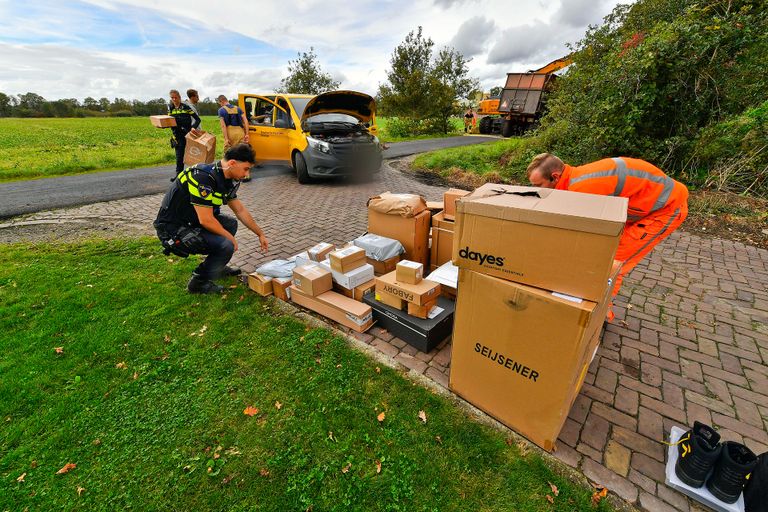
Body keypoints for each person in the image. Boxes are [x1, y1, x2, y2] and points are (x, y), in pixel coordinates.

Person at [527, 153, 689, 319]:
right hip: (639, 207)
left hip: (666, 210)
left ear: (555, 177)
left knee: (614, 263)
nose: (538, 190)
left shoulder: (583, 189)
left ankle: (600, 316)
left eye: (539, 184)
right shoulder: (576, 179)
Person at [154, 143, 269, 294]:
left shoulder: (227, 178)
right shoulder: (203, 177)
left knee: (230, 224)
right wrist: (230, 239)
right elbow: (206, 220)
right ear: (232, 163)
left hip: (191, 221)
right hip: (172, 228)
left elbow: (240, 210)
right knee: (226, 245)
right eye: (246, 169)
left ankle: (216, 267)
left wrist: (260, 234)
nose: (246, 174)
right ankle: (198, 282)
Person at [168, 89, 201, 177]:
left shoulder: (186, 107)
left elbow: (198, 119)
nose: (174, 99)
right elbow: (169, 121)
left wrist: (193, 128)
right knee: (179, 157)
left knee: (193, 156)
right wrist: (162, 125)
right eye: (172, 98)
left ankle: (196, 175)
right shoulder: (170, 108)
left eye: (176, 97)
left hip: (187, 135)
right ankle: (178, 176)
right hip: (177, 136)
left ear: (179, 97)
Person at [217, 95, 251, 180]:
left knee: (228, 153)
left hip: (230, 132)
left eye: (219, 103)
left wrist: (226, 139)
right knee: (243, 152)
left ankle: (228, 173)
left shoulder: (221, 110)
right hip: (240, 132)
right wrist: (247, 133)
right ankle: (247, 175)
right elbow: (245, 121)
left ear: (221, 101)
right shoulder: (238, 108)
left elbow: (223, 126)